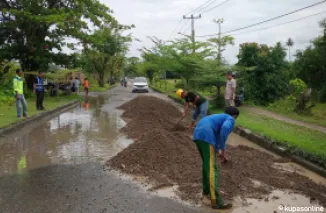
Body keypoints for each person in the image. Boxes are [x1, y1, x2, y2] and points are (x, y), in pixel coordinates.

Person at [193, 106, 239, 210]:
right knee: (212, 169)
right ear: (235, 116)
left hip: (198, 135)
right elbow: (224, 131)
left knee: (206, 165)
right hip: (207, 135)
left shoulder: (217, 116)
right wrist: (223, 149)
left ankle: (206, 192)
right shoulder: (230, 119)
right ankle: (216, 201)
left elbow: (217, 136)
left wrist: (219, 151)